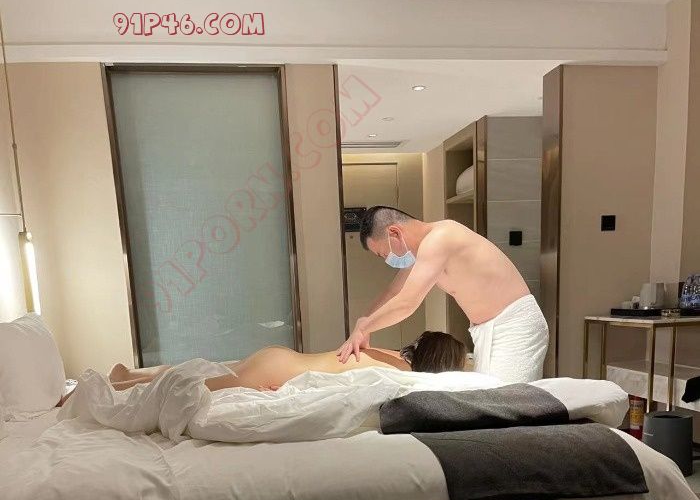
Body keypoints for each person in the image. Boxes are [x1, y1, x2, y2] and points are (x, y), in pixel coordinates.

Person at [337, 206, 549, 383]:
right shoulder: (424, 251)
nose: (387, 260)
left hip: (515, 324)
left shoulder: (440, 238)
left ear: (395, 233)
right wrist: (362, 323)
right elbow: (394, 292)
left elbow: (407, 302)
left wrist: (364, 327)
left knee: (507, 406)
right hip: (487, 329)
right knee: (491, 402)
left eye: (385, 253)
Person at [107, 330, 467, 393]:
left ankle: (136, 374)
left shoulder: (391, 355)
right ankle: (125, 385)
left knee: (208, 374)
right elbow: (342, 385)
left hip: (280, 358)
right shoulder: (399, 373)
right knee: (202, 385)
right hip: (280, 369)